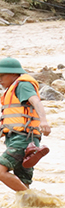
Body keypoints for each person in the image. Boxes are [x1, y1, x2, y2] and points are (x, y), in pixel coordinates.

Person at [0, 58, 51, 192]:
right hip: (22, 140)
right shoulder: (12, 89)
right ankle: (32, 206)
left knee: (0, 171)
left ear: (14, 74)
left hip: (23, 140)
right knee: (23, 182)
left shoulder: (22, 85)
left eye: (1, 75)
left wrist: (44, 121)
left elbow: (36, 101)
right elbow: (11, 119)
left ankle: (33, 198)